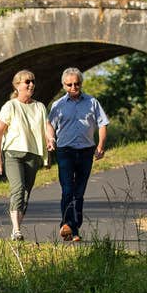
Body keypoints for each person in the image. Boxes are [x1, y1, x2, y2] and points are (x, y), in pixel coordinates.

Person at [45, 67, 109, 242]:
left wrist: (101, 145)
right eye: (70, 84)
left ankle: (73, 228)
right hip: (65, 151)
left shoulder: (92, 102)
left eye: (77, 83)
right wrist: (50, 138)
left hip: (86, 151)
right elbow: (50, 124)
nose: (74, 87)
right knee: (67, 190)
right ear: (64, 85)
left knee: (79, 193)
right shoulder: (58, 105)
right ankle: (68, 226)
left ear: (81, 83)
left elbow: (102, 124)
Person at [0, 69, 49, 241]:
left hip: (33, 154)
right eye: (27, 82)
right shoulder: (10, 106)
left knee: (26, 193)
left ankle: (16, 229)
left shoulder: (39, 106)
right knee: (17, 189)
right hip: (13, 153)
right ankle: (17, 230)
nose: (31, 84)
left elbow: (47, 126)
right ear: (17, 86)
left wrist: (51, 138)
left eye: (32, 81)